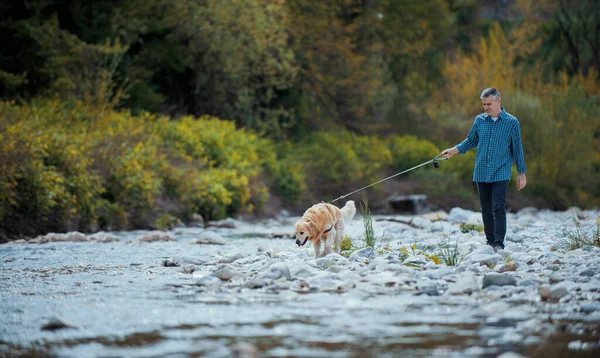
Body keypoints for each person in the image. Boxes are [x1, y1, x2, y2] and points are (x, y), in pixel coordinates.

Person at [441, 88, 527, 252]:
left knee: (498, 206)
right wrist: (453, 151)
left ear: (499, 101)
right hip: (481, 170)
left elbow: (517, 149)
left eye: (489, 104)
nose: (486, 107)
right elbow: (471, 141)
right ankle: (490, 241)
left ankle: (499, 243)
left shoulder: (512, 122)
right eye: (483, 104)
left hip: (501, 171)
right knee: (486, 208)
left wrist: (522, 174)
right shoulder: (480, 121)